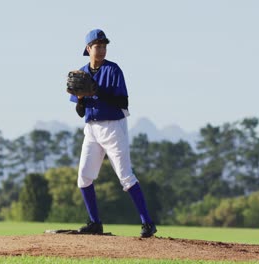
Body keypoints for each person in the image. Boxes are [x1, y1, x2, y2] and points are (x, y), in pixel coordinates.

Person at [69, 29, 157, 238]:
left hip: (113, 127)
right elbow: (80, 111)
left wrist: (97, 90)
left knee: (125, 177)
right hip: (91, 129)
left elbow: (123, 102)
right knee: (83, 177)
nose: (101, 49)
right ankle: (94, 222)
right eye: (97, 45)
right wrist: (81, 98)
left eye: (104, 45)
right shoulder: (82, 72)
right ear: (88, 49)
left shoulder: (113, 70)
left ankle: (147, 223)